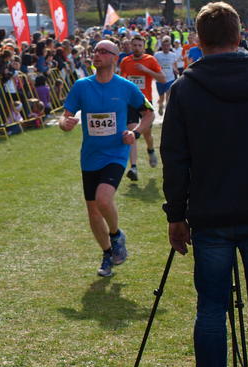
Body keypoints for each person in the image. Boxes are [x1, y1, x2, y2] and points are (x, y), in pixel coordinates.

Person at [161, 2, 248, 367]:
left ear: (198, 40)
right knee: (213, 309)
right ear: (239, 34)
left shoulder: (185, 88)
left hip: (211, 213)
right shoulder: (185, 88)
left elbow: (175, 159)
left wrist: (176, 215)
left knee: (212, 309)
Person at [59, 40, 154, 277]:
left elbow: (149, 113)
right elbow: (65, 116)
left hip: (116, 153)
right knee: (93, 212)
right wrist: (65, 123)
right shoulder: (82, 86)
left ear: (114, 57)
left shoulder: (126, 87)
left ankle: (116, 234)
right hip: (90, 156)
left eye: (103, 51)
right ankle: (107, 254)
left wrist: (135, 133)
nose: (97, 54)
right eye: (95, 51)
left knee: (103, 199)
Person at [120, 35, 165, 181]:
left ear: (144, 47)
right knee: (132, 131)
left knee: (146, 134)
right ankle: (133, 168)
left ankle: (150, 150)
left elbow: (162, 78)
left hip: (145, 101)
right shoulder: (125, 61)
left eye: (140, 45)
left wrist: (146, 70)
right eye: (134, 45)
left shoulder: (150, 60)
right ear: (130, 46)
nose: (137, 48)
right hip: (130, 102)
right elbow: (122, 79)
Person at [154, 36, 179, 115]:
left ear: (170, 46)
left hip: (170, 79)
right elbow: (154, 66)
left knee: (168, 97)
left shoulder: (173, 55)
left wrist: (176, 70)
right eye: (164, 45)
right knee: (161, 98)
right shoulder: (157, 55)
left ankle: (167, 113)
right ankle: (160, 105)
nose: (166, 47)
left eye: (168, 45)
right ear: (162, 46)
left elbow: (174, 65)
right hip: (160, 79)